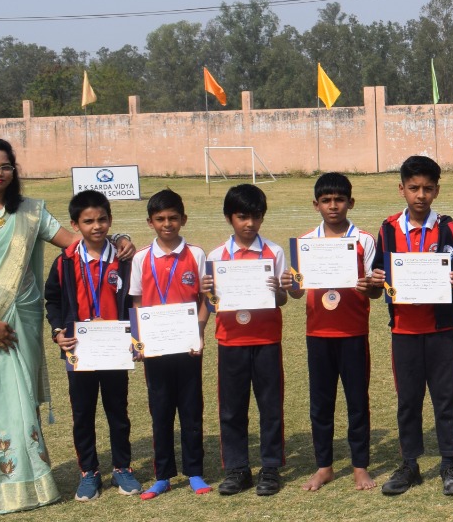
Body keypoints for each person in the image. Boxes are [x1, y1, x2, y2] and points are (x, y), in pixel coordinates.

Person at [0, 138, 134, 515]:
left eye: (5, 166)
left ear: (14, 171)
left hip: (23, 317)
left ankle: (28, 474)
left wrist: (118, 239)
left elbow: (77, 242)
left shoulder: (30, 212)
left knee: (20, 393)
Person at [377, 156, 453, 497]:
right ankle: (410, 464)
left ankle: (449, 462)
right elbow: (378, 275)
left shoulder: (449, 229)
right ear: (401, 188)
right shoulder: (388, 229)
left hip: (441, 329)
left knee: (446, 398)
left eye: (428, 189)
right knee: (408, 400)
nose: (421, 195)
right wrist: (376, 279)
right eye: (414, 188)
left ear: (436, 191)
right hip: (404, 329)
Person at [283, 173, 381, 492]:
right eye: (326, 200)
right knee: (320, 404)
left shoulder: (364, 240)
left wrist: (370, 286)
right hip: (318, 334)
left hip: (353, 333)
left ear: (350, 202)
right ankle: (324, 466)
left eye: (339, 200)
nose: (333, 206)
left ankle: (360, 466)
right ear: (316, 205)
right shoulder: (306, 242)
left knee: (357, 402)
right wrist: (290, 285)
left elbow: (375, 291)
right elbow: (297, 293)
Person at [43, 189, 139, 500]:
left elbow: (135, 300)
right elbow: (53, 300)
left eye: (102, 219)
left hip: (114, 348)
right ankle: (89, 472)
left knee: (117, 411)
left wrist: (136, 337)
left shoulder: (124, 260)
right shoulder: (65, 261)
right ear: (75, 224)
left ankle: (122, 468)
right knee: (82, 413)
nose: (96, 226)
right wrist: (58, 331)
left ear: (110, 220)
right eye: (88, 221)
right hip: (79, 349)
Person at [204, 183, 289, 497]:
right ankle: (237, 469)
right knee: (232, 409)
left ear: (262, 217)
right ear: (229, 218)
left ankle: (270, 467)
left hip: (266, 339)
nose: (249, 223)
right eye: (242, 217)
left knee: (270, 406)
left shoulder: (274, 252)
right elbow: (213, 303)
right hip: (231, 341)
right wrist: (208, 292)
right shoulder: (217, 256)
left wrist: (278, 290)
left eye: (256, 216)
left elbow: (282, 299)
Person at [128, 189, 209, 500]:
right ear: (150, 222)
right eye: (160, 218)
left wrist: (199, 332)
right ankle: (162, 475)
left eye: (173, 218)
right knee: (160, 411)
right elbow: (137, 302)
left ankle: (195, 472)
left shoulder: (196, 254)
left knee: (191, 409)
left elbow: (206, 300)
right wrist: (137, 340)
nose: (167, 224)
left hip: (188, 346)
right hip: (155, 347)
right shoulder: (141, 258)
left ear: (183, 219)